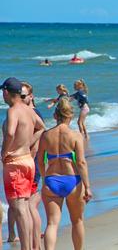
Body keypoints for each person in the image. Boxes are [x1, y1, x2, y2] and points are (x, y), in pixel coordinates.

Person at [37, 98, 92, 250]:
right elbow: (81, 163)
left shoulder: (46, 135)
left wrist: (44, 179)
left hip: (51, 180)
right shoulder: (75, 136)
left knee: (52, 224)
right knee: (77, 221)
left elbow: (40, 161)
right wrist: (87, 187)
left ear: (55, 116)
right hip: (72, 181)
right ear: (71, 116)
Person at [1, 77, 45, 250]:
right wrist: (30, 146)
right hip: (27, 160)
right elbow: (41, 127)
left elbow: (10, 133)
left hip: (15, 162)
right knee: (24, 206)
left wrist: (4, 152)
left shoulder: (13, 110)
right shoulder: (29, 110)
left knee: (19, 208)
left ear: (6, 92)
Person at [20, 82, 43, 250]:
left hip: (31, 166)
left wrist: (27, 159)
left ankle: (35, 246)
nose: (20, 99)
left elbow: (35, 145)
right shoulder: (28, 113)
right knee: (29, 207)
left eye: (23, 96)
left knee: (29, 207)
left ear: (31, 96)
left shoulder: (33, 114)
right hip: (31, 165)